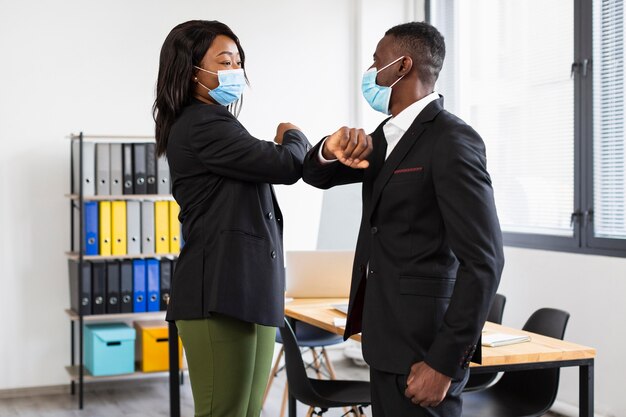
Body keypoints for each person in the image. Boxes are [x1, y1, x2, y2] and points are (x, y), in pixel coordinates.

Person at [303, 22, 504, 417]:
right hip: (385, 341)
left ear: (401, 66)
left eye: (376, 61)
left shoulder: (451, 140)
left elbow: (484, 261)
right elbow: (317, 175)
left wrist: (445, 363)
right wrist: (330, 147)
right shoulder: (386, 136)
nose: (370, 71)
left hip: (425, 351)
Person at [153, 20, 311, 417]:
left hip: (248, 291)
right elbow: (286, 164)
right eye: (225, 61)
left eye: (239, 61)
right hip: (217, 294)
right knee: (223, 412)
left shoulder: (220, 124)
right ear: (191, 70)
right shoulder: (201, 124)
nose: (236, 70)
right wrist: (292, 133)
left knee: (246, 412)